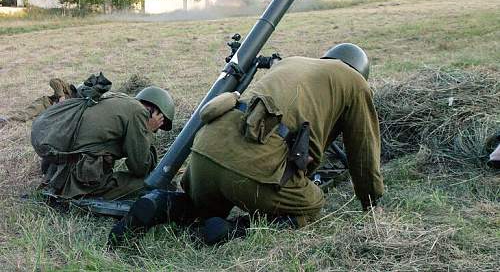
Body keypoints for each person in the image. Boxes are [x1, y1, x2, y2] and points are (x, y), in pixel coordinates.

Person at [109, 43, 384, 245]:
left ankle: (157, 204)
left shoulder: (293, 61)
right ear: (359, 71)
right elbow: (363, 149)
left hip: (208, 144)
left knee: (199, 209)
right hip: (252, 162)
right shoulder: (355, 83)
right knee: (311, 206)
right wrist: (372, 203)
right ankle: (234, 230)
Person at [39, 86, 175, 200]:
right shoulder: (139, 113)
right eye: (159, 122)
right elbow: (141, 168)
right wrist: (148, 131)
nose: (157, 129)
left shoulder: (118, 99)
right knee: (152, 184)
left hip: (57, 170)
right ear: (153, 111)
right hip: (78, 181)